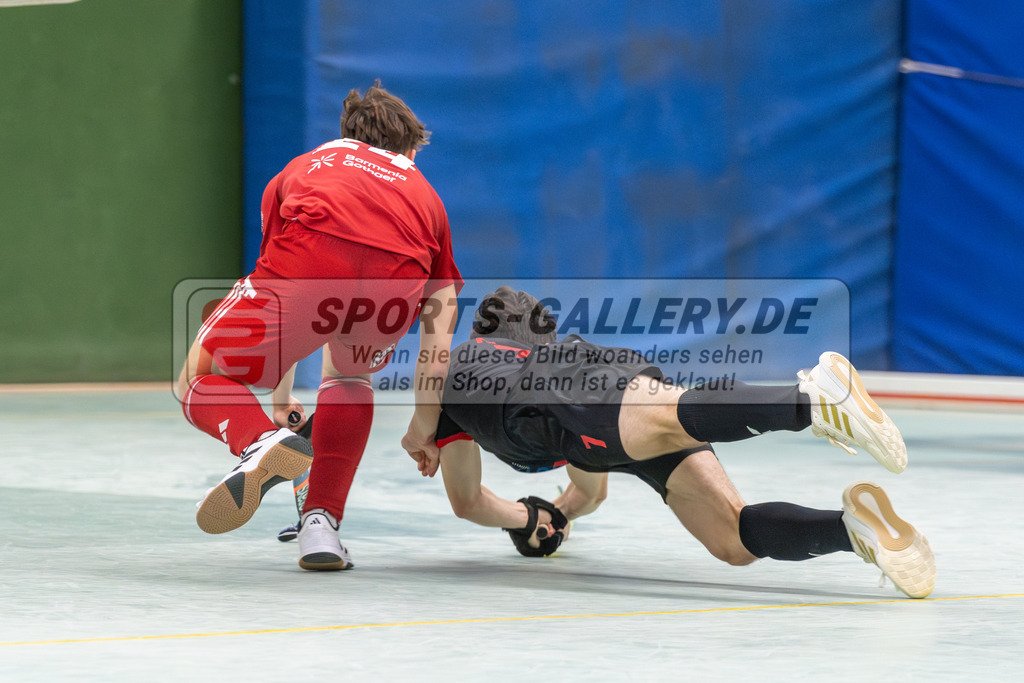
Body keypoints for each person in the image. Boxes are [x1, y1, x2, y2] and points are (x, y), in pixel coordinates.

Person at [416, 287, 935, 599]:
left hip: (563, 401)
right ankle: (853, 530)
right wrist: (555, 515)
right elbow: (590, 490)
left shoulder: (456, 374)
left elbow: (467, 501)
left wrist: (527, 518)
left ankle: (811, 400)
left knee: (672, 416)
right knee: (732, 540)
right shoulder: (547, 372)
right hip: (586, 408)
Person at [177, 80, 462, 571]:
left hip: (308, 265)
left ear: (348, 134)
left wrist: (278, 402)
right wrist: (424, 424)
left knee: (195, 378)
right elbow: (439, 334)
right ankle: (320, 528)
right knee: (349, 375)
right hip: (391, 288)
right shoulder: (427, 197)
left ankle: (258, 442)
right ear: (410, 151)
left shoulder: (305, 166)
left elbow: (281, 279)